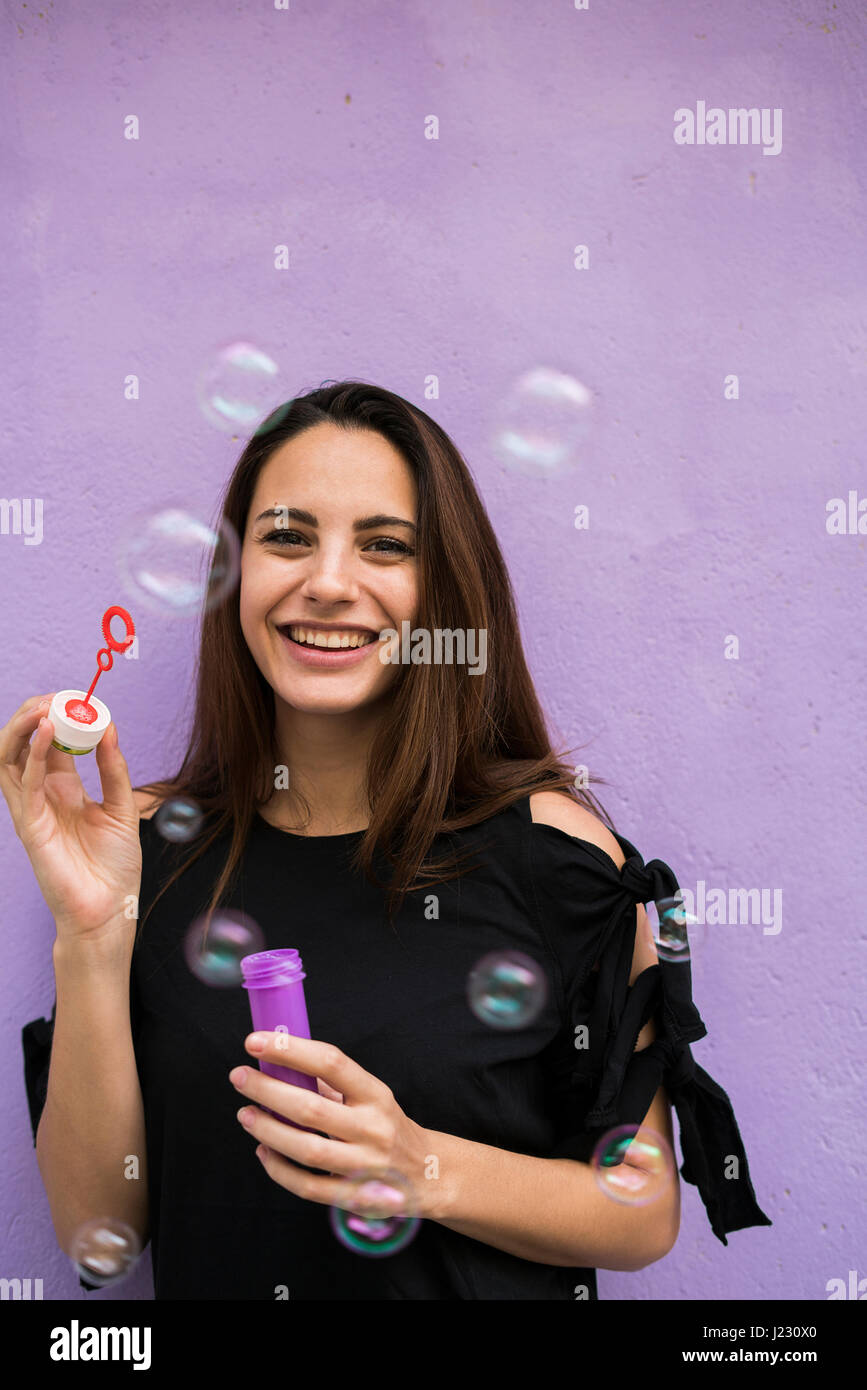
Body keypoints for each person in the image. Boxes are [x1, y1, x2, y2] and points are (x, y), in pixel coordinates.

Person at [8, 381, 772, 1300]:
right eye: (286, 536)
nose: (327, 582)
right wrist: (90, 936)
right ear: (234, 572)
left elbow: (640, 1215)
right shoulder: (140, 850)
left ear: (444, 591)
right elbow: (102, 1239)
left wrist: (419, 1167)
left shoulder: (555, 857)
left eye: (385, 546)